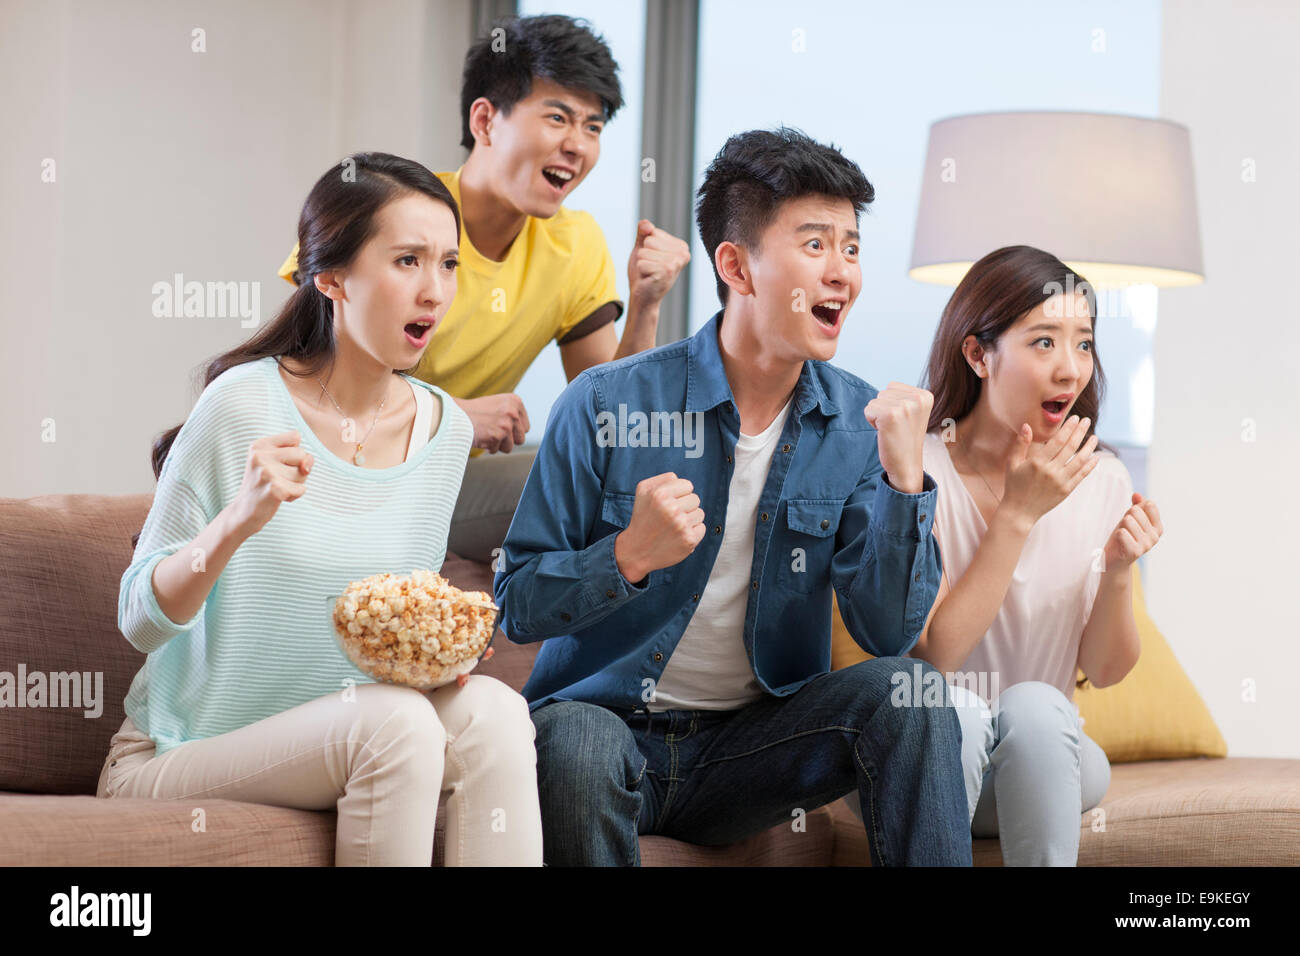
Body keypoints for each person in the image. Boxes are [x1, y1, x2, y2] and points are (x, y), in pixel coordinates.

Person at [494, 127, 972, 867]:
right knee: (574, 742)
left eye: (850, 247)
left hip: (757, 748)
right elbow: (517, 601)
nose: (842, 271)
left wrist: (906, 485)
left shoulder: (857, 424)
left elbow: (886, 633)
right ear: (736, 265)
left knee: (908, 697)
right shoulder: (606, 403)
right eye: (815, 245)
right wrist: (625, 557)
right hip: (607, 730)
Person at [99, 153, 543, 867]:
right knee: (396, 724)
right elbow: (138, 621)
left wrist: (437, 654)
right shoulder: (243, 404)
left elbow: (380, 635)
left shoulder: (444, 430)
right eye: (406, 261)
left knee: (495, 713)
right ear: (331, 278)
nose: (435, 292)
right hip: (187, 749)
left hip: (340, 740)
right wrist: (234, 521)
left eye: (450, 264)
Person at [277, 15, 691, 563]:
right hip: (338, 474)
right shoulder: (393, 210)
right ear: (486, 120)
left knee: (626, 484)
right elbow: (301, 389)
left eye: (593, 127)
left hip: (441, 487)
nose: (577, 144)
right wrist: (455, 417)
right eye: (558, 117)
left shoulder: (577, 243)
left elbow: (607, 421)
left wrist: (646, 304)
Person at [908, 245, 1164, 866]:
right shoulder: (916, 469)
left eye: (1083, 343)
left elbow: (1103, 671)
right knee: (963, 718)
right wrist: (1017, 515)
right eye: (1044, 342)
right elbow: (936, 653)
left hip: (1048, 749)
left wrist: (1120, 571)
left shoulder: (1100, 478)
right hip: (936, 757)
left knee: (1036, 707)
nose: (1071, 370)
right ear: (978, 354)